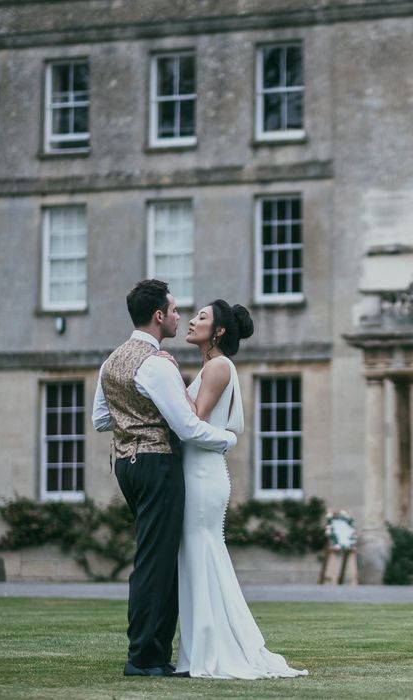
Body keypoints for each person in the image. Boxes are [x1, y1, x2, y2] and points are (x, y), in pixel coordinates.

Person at [91, 279, 237, 678]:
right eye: (173, 311)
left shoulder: (111, 361)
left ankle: (149, 652)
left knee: (150, 555)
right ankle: (146, 656)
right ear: (158, 316)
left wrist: (133, 425)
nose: (179, 316)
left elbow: (101, 419)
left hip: (125, 465)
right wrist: (227, 438)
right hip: (157, 464)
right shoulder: (157, 364)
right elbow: (188, 426)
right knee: (157, 560)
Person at [174, 299, 308, 679]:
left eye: (201, 317)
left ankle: (212, 652)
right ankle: (198, 650)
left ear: (217, 331)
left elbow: (193, 417)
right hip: (196, 470)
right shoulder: (210, 365)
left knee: (203, 553)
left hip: (203, 474)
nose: (191, 320)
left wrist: (167, 379)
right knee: (198, 556)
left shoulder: (218, 366)